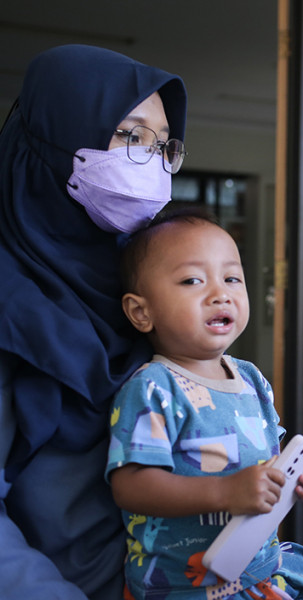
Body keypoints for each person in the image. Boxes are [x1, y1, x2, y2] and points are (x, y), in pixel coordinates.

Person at [0, 45, 187, 599]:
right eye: (130, 136)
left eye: (162, 144)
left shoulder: (143, 288)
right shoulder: (11, 306)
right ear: (53, 140)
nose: (152, 161)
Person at [106, 211, 303, 600]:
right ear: (142, 312)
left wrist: (297, 481)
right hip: (189, 586)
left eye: (232, 279)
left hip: (262, 563)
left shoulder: (252, 379)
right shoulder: (154, 388)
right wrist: (224, 492)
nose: (220, 294)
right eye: (193, 280)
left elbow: (267, 466)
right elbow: (130, 486)